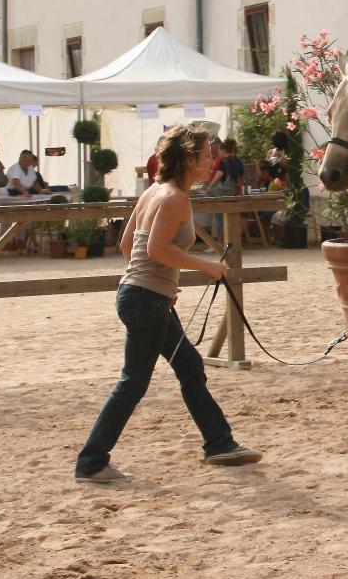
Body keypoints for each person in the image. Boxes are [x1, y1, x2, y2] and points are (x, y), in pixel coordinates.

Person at [74, 124, 263, 484]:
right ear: (188, 158)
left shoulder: (154, 192)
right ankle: (91, 461)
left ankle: (219, 443)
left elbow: (128, 246)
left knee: (190, 367)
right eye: (206, 156)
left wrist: (154, 283)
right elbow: (156, 250)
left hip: (144, 296)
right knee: (133, 382)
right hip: (147, 300)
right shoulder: (173, 197)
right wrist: (205, 265)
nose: (211, 162)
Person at [206, 138, 243, 238]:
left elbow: (217, 177)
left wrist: (209, 187)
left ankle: (228, 240)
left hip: (224, 194)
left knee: (220, 217)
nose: (218, 152)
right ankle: (234, 239)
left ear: (223, 150)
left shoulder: (224, 162)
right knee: (232, 218)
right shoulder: (236, 161)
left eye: (219, 150)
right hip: (234, 192)